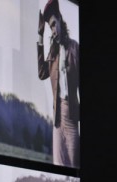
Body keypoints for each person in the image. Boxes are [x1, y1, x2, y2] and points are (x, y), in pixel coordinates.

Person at [37, 0, 80, 167]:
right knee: (59, 167)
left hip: (71, 116)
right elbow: (41, 73)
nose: (54, 30)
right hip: (57, 120)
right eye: (50, 27)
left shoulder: (74, 49)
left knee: (75, 167)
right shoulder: (52, 54)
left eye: (55, 24)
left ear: (61, 21)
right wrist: (40, 36)